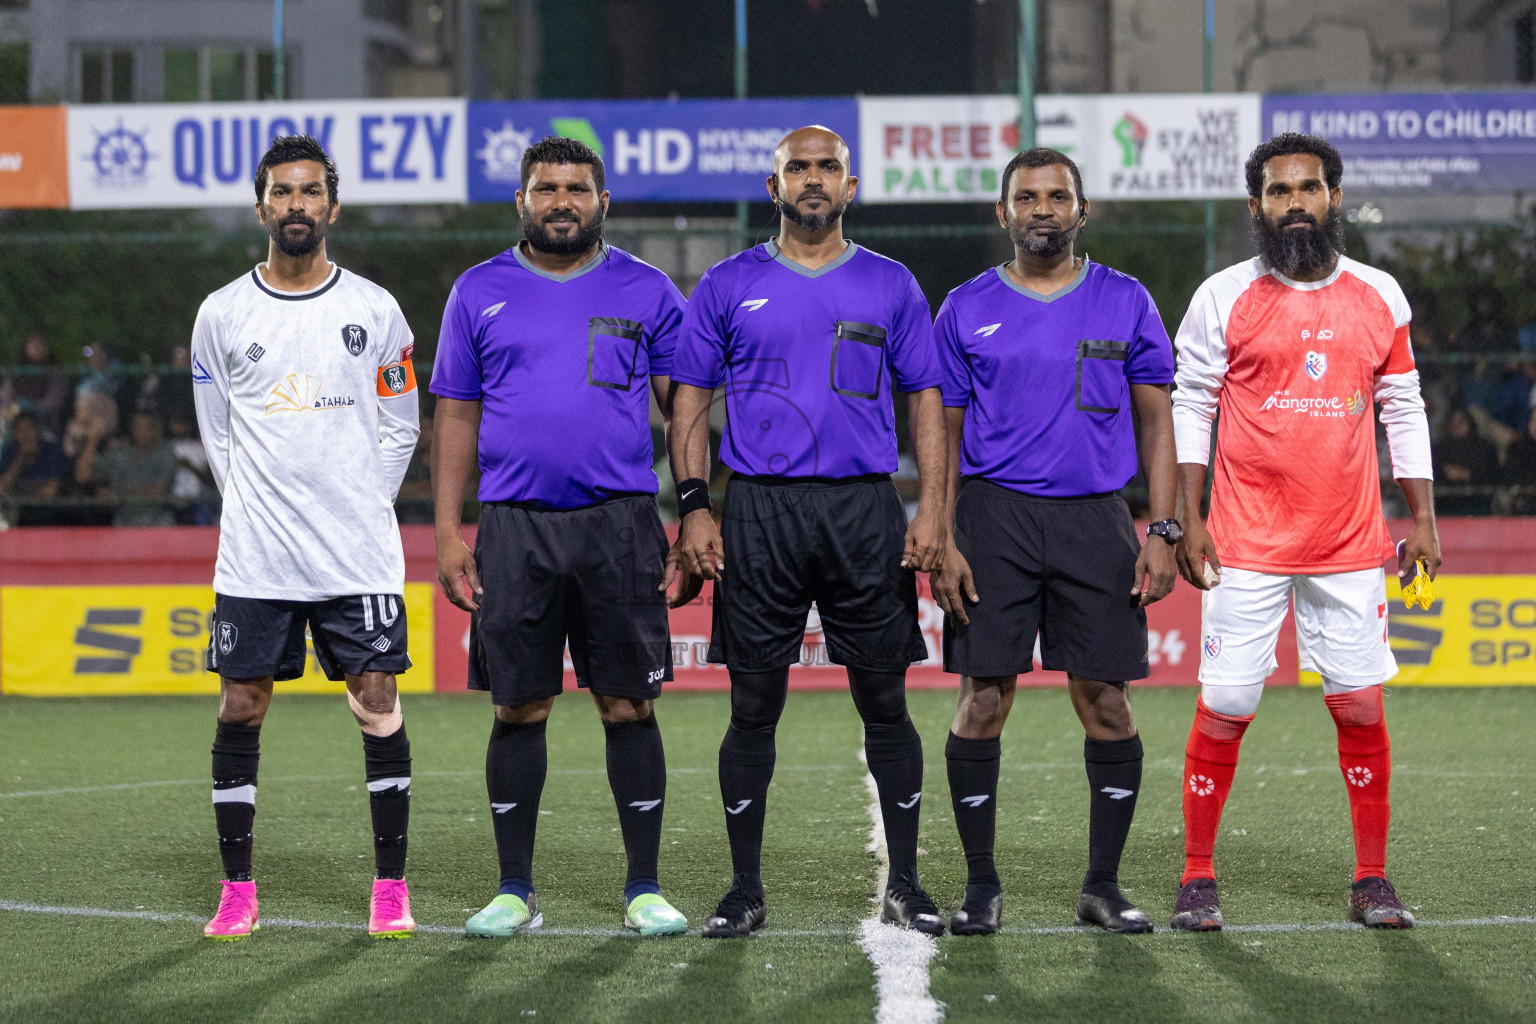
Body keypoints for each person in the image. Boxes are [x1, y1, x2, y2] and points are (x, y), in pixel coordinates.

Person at [669, 126, 950, 937]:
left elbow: (924, 398)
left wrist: (931, 508)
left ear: (850, 186)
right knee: (753, 702)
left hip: (865, 509)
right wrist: (693, 506)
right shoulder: (726, 284)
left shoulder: (892, 285)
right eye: (801, 168)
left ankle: (905, 882)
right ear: (775, 184)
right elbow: (689, 399)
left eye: (829, 167)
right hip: (760, 508)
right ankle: (744, 888)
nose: (815, 180)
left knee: (884, 699)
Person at [1169, 133, 1438, 932]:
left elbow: (1404, 406)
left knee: (1359, 707)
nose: (1296, 203)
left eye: (1309, 189)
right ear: (1256, 207)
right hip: (1246, 539)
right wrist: (1190, 517)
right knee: (1227, 702)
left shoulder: (1380, 295)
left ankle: (1371, 878)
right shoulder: (1223, 296)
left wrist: (1422, 518)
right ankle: (1196, 876)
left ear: (1334, 199)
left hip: (1349, 542)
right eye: (1279, 191)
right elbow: (1193, 404)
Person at [431, 136, 693, 939]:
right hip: (514, 528)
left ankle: (643, 887)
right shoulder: (478, 291)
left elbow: (683, 406)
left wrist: (693, 508)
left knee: (627, 704)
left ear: (602, 202)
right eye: (546, 187)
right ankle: (515, 890)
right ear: (522, 201)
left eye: (577, 188)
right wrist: (446, 529)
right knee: (518, 707)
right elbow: (455, 415)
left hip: (620, 524)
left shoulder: (647, 290)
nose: (562, 201)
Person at [929, 148, 1178, 936]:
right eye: (1026, 197)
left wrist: (1162, 529)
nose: (1042, 208)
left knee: (1106, 701)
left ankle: (1102, 886)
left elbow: (1157, 421)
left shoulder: (1127, 300)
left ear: (1082, 209)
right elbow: (944, 430)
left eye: (1057, 195)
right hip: (992, 520)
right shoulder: (964, 307)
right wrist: (941, 532)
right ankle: (980, 888)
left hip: (1095, 520)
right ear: (1002, 214)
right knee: (983, 702)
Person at [191, 134, 422, 941]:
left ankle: (390, 888)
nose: (296, 204)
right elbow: (216, 436)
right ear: (261, 207)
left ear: (331, 204)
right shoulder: (222, 314)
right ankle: (237, 890)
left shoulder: (374, 309)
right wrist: (264, 504)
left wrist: (358, 503)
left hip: (355, 554)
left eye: (309, 191)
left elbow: (401, 427)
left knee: (376, 702)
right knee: (242, 704)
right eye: (282, 193)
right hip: (257, 556)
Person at [82, 409, 178, 526]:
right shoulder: (118, 454)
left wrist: (118, 495)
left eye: (147, 427)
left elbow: (158, 492)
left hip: (159, 522)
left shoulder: (165, 452)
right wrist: (93, 439)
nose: (142, 432)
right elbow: (83, 476)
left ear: (155, 430)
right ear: (130, 429)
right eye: (138, 427)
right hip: (124, 522)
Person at [0, 407, 69, 525]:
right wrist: (20, 458)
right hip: (16, 514)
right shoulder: (10, 452)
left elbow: (51, 492)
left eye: (29, 429)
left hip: (50, 515)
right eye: (20, 430)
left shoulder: (52, 451)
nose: (26, 434)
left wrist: (18, 494)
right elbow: (2, 488)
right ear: (14, 434)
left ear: (39, 431)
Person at [1434, 407, 1497, 515]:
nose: (1456, 426)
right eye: (1452, 422)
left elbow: (1493, 475)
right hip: (1446, 506)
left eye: (1460, 421)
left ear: (1469, 422)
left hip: (1478, 504)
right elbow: (1432, 474)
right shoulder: (1440, 449)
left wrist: (1467, 475)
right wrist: (1446, 472)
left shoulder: (1484, 448)